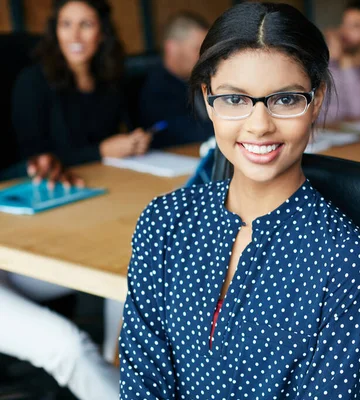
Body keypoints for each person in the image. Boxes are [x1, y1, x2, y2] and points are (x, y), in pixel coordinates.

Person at [119, 2, 360, 399]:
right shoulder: (163, 221)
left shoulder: (343, 257)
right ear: (208, 99)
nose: (259, 126)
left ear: (317, 99)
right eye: (235, 99)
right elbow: (141, 384)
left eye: (286, 99)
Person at [0, 153, 119, 400]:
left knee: (126, 264)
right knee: (69, 348)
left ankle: (113, 365)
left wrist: (32, 169)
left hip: (7, 257)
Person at [11, 0, 151, 167]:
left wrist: (136, 141)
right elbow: (35, 159)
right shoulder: (32, 82)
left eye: (86, 24)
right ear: (55, 31)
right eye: (66, 24)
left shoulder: (112, 80)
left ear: (102, 33)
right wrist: (100, 152)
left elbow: (129, 129)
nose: (74, 36)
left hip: (112, 176)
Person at [138, 11, 214, 149]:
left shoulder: (206, 78)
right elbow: (180, 134)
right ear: (172, 48)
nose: (205, 57)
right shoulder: (155, 88)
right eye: (197, 49)